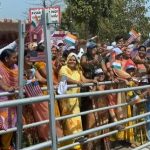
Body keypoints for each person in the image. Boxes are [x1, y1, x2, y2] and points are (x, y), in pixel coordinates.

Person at [59, 53, 97, 150]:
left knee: (76, 120)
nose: (72, 61)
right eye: (71, 59)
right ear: (67, 60)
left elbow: (83, 80)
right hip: (66, 100)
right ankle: (69, 145)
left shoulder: (78, 70)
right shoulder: (64, 68)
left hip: (75, 100)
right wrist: (77, 82)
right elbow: (64, 78)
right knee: (67, 122)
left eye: (74, 60)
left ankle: (77, 143)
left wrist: (92, 80)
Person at [0, 49, 18, 150]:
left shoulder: (15, 68)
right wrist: (7, 88)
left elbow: (20, 81)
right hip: (2, 101)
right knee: (3, 123)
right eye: (14, 58)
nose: (16, 60)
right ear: (6, 59)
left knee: (11, 125)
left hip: (12, 101)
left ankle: (7, 147)